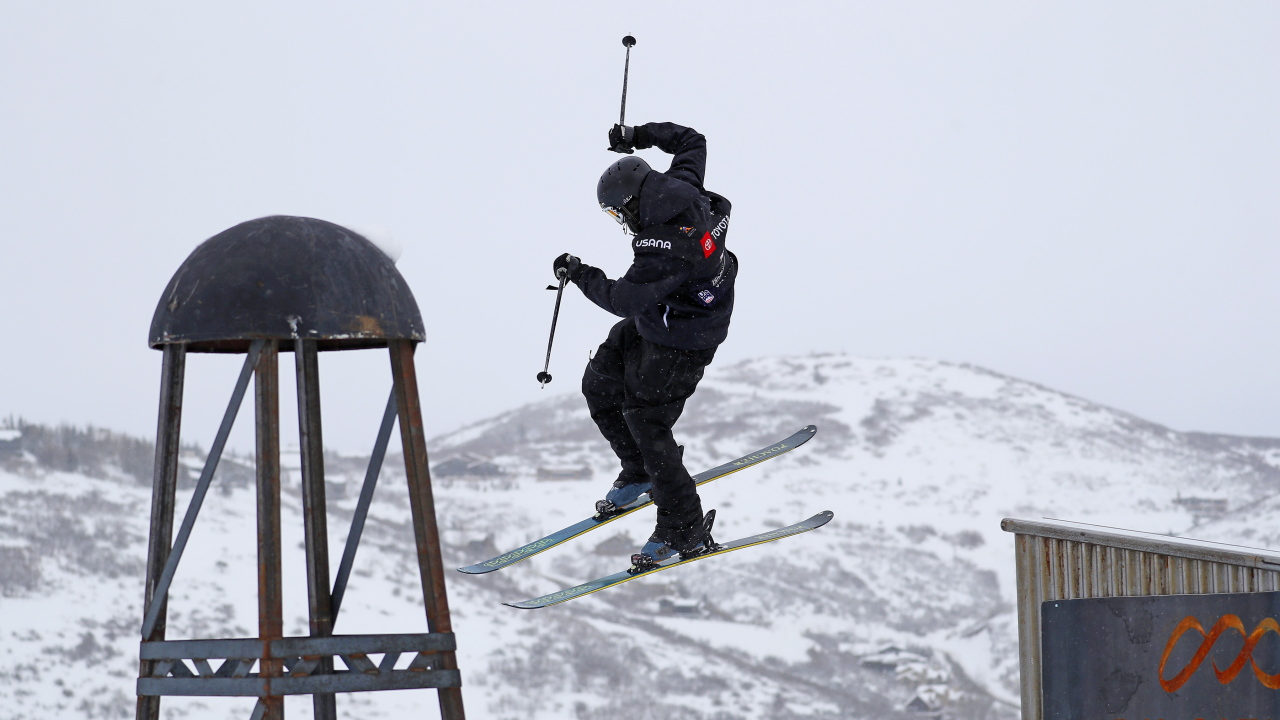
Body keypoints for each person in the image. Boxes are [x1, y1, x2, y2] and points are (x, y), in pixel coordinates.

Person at [553, 121, 737, 570]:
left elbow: (623, 299)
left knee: (646, 421)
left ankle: (684, 527)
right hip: (664, 317)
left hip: (685, 339)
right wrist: (636, 135)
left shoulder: (666, 244)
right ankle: (639, 471)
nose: (621, 223)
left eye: (618, 214)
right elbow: (692, 141)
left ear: (632, 203)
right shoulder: (680, 186)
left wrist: (578, 272)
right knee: (600, 383)